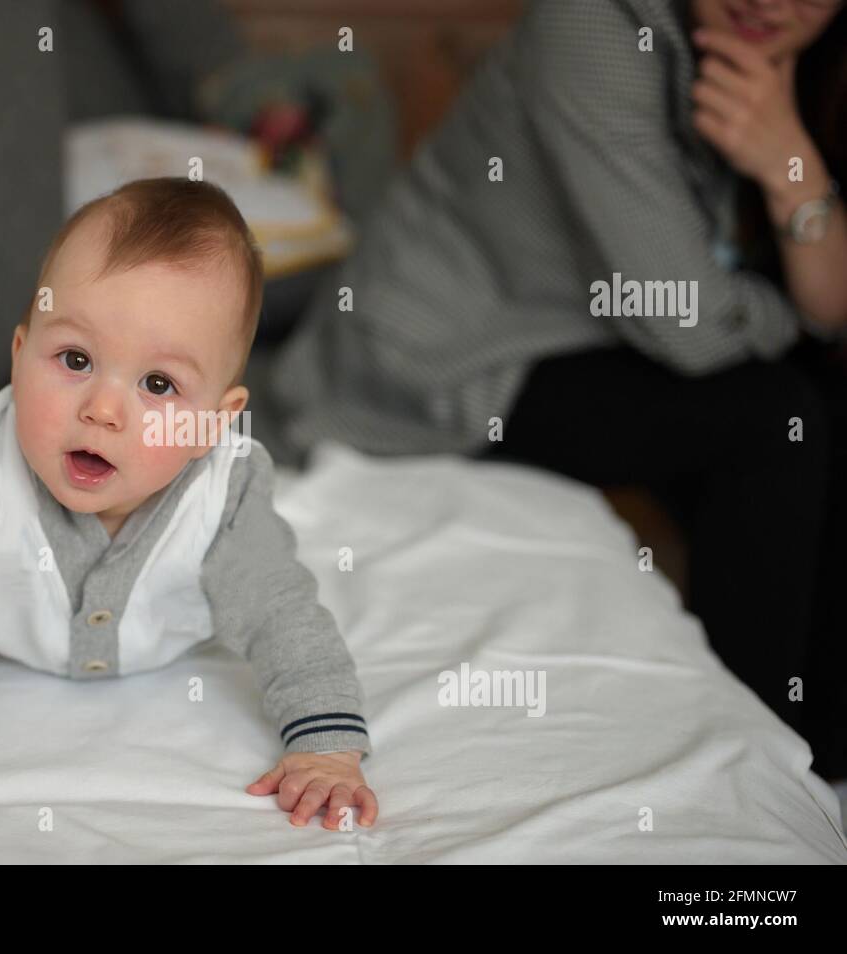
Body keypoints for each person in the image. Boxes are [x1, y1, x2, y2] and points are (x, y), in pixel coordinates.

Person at [258, 0, 847, 779]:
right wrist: (798, 296)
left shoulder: (813, 63)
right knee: (774, 417)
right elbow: (693, 328)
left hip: (592, 333)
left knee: (813, 402)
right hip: (450, 356)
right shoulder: (595, 27)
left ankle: (819, 749)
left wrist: (790, 163)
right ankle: (755, 764)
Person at [0, 179, 378, 827]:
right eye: (74, 357)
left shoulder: (224, 498)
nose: (101, 409)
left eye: (158, 384)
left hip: (48, 439)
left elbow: (286, 620)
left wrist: (326, 750)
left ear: (212, 424)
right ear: (19, 354)